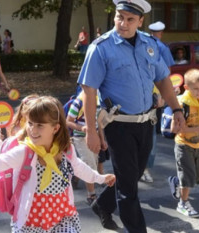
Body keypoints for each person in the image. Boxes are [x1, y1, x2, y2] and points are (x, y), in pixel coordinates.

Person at [77, 0, 186, 232]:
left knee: (133, 175)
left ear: (140, 21)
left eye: (129, 19)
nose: (123, 23)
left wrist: (176, 109)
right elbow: (89, 91)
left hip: (146, 124)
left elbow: (162, 79)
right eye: (119, 17)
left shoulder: (149, 44)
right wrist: (91, 131)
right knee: (129, 190)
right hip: (119, 125)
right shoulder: (101, 47)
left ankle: (102, 205)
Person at [0, 96, 116, 232]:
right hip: (32, 221)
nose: (32, 129)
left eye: (40, 125)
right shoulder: (25, 152)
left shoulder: (65, 149)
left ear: (55, 128)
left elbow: (79, 167)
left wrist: (100, 178)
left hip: (62, 217)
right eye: (30, 123)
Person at [168, 69, 199, 218]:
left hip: (197, 144)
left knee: (197, 176)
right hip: (183, 144)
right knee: (188, 177)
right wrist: (198, 128)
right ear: (187, 88)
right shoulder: (182, 104)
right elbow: (174, 129)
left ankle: (177, 182)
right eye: (195, 89)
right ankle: (183, 203)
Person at [140, 20, 175, 183]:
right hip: (154, 97)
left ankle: (139, 168)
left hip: (140, 95)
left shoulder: (139, 42)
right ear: (160, 33)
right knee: (150, 135)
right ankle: (144, 168)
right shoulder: (161, 47)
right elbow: (165, 75)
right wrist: (163, 95)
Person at [66, 92, 104, 205]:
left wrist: (102, 139)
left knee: (92, 163)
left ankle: (75, 176)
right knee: (90, 165)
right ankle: (91, 195)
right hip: (80, 138)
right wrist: (82, 128)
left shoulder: (99, 100)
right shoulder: (78, 102)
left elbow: (99, 122)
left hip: (94, 137)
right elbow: (68, 121)